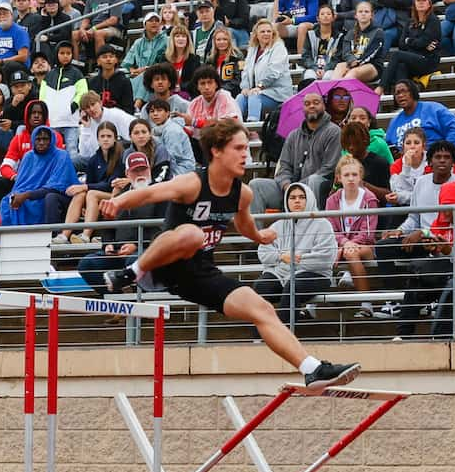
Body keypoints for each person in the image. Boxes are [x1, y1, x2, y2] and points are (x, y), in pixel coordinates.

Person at [101, 118, 356, 389]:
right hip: (166, 260)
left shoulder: (242, 193)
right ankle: (130, 272)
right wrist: (117, 201)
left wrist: (259, 236)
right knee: (194, 234)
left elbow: (243, 222)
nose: (246, 155)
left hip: (200, 273)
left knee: (262, 308)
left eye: (247, 148)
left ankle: (311, 369)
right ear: (217, 151)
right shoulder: (192, 183)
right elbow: (149, 194)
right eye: (239, 148)